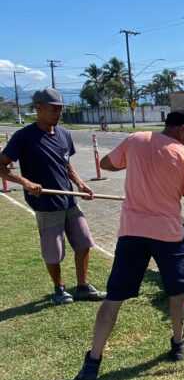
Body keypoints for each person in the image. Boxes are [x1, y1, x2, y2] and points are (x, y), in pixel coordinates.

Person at [75, 110, 184, 380]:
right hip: (168, 236)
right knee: (178, 293)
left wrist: (135, 161)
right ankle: (178, 344)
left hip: (132, 233)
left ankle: (93, 361)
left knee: (114, 297)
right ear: (181, 129)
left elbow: (107, 164)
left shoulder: (136, 139)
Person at [0, 88, 106, 305]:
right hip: (45, 204)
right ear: (38, 108)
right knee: (53, 252)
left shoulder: (64, 134)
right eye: (54, 109)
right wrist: (26, 183)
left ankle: (83, 286)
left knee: (84, 242)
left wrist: (81, 184)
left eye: (60, 110)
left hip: (69, 200)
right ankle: (59, 289)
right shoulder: (24, 137)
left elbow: (65, 164)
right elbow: (1, 166)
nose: (58, 114)